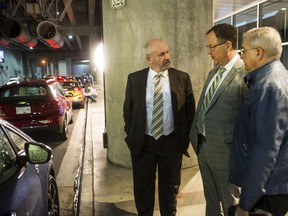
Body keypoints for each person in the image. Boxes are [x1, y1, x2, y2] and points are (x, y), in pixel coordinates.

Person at [123, 38, 195, 216]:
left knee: (170, 190)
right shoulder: (135, 79)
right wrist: (131, 133)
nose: (167, 57)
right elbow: (128, 110)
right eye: (161, 54)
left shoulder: (182, 78)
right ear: (149, 59)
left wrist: (183, 139)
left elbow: (190, 112)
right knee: (143, 188)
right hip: (143, 143)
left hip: (171, 143)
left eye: (168, 52)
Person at [189, 23, 248, 216]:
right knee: (211, 201)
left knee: (230, 204)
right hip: (203, 148)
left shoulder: (245, 75)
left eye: (212, 46)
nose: (209, 52)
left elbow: (248, 122)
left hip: (227, 154)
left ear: (228, 45)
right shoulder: (213, 72)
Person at [229, 27, 288, 216]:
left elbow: (264, 149)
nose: (241, 55)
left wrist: (245, 203)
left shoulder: (269, 86)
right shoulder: (277, 77)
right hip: (271, 185)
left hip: (268, 189)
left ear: (258, 52)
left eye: (243, 50)